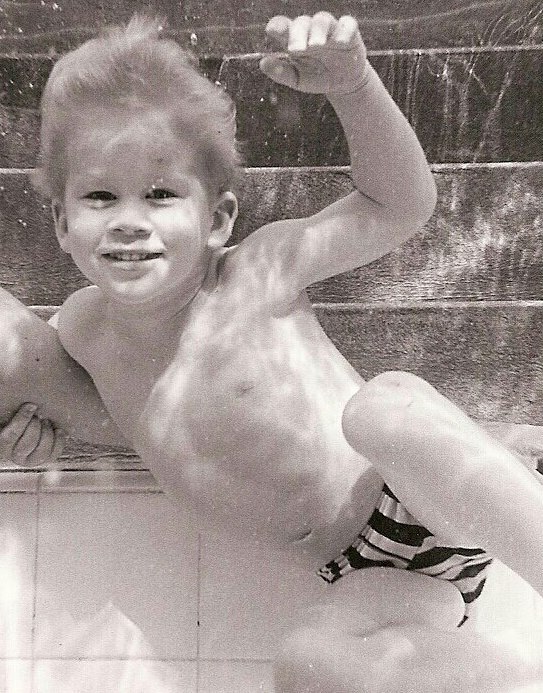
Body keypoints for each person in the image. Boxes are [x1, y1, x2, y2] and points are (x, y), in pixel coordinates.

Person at [1, 11, 543, 691]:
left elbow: (399, 204)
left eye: (160, 195)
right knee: (305, 662)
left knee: (383, 409)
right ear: (62, 222)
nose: (129, 219)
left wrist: (353, 85)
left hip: (425, 489)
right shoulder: (83, 329)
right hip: (367, 572)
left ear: (217, 219)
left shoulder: (258, 271)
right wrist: (28, 435)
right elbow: (117, 415)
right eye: (100, 196)